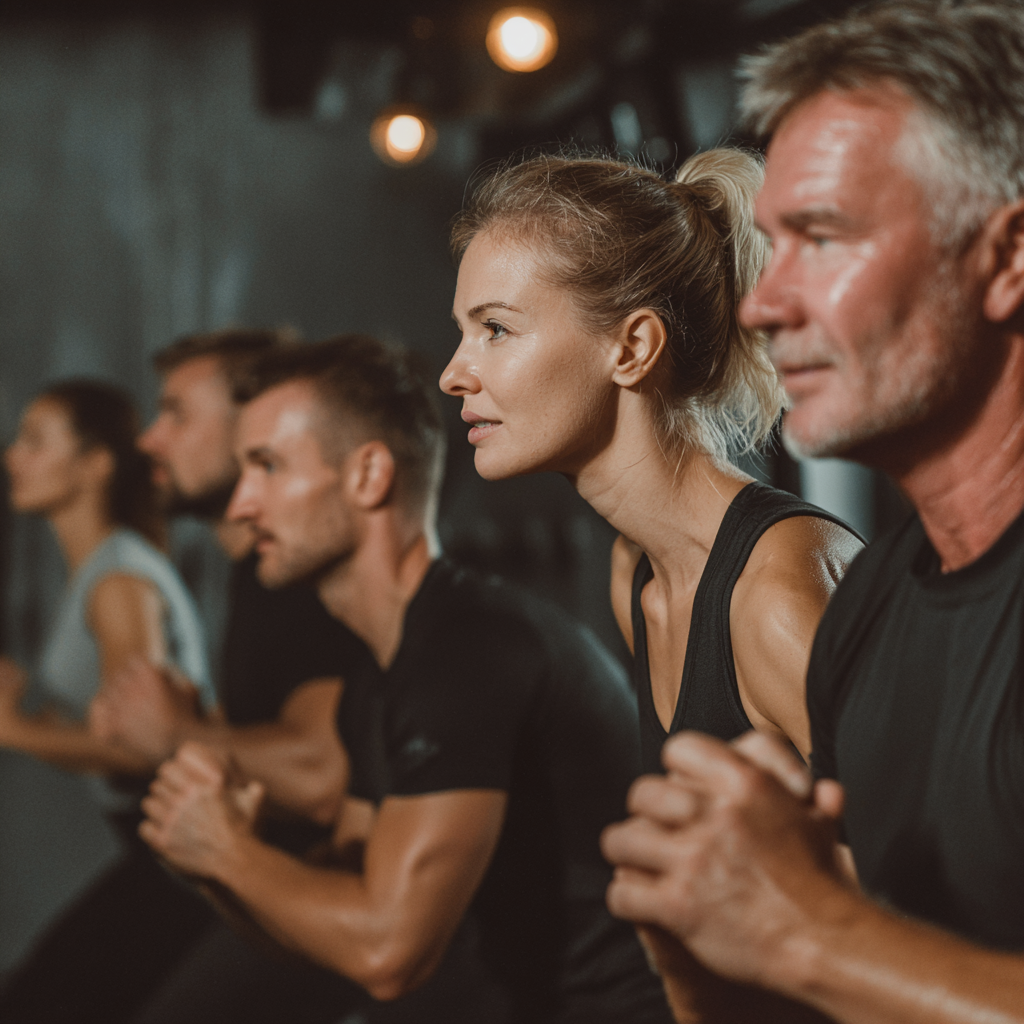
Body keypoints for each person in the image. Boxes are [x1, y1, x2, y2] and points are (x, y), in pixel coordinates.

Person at [601, 1, 1024, 1022]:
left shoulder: (810, 582)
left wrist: (802, 927)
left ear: (1007, 260)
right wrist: (699, 947)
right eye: (772, 242)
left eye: (823, 238)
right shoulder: (874, 605)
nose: (761, 302)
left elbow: (829, 945)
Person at [139, 335, 675, 1024]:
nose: (242, 505)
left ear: (368, 476)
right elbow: (335, 919)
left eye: (267, 467)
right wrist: (218, 864)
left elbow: (389, 951)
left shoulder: (467, 654)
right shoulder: (378, 677)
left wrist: (228, 850)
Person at [440, 147, 862, 1016]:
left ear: (632, 346)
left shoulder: (777, 597)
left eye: (496, 329)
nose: (454, 371)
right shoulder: (640, 571)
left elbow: (925, 922)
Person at [88, 330, 371, 1024]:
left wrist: (179, 732)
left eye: (177, 414)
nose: (151, 440)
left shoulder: (295, 584)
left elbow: (323, 773)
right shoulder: (254, 577)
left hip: (330, 889)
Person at [0, 379, 217, 1024]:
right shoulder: (102, 569)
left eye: (36, 441)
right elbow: (106, 723)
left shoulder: (118, 580)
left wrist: (14, 730)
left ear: (95, 465)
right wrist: (27, 704)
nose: (14, 457)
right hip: (155, 850)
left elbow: (139, 745)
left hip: (185, 859)